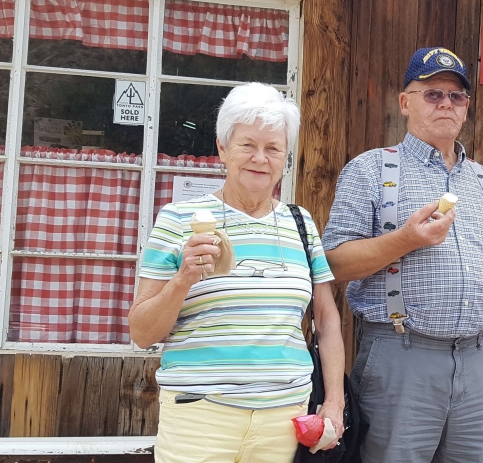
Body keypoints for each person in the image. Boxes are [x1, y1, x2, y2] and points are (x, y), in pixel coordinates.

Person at [322, 47, 483, 463]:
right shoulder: (370, 170)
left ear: (467, 108)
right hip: (401, 359)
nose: (446, 104)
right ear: (405, 102)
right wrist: (405, 239)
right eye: (433, 93)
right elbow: (334, 262)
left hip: (476, 363)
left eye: (457, 96)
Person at [129, 83, 344, 463]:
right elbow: (142, 333)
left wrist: (334, 403)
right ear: (222, 148)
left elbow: (327, 320)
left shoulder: (300, 223)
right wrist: (182, 279)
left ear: (285, 157)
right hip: (200, 416)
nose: (260, 158)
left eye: (273, 148)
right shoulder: (179, 220)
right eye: (247, 145)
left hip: (284, 418)